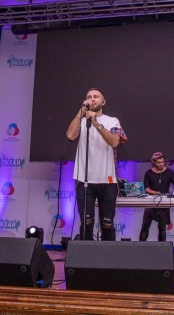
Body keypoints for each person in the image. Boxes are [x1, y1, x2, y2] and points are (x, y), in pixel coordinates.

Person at [66, 88, 127, 241]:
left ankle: (108, 255)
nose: (92, 99)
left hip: (107, 181)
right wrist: (80, 113)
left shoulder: (112, 121)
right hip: (84, 180)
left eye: (95, 97)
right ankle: (86, 256)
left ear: (103, 102)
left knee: (107, 224)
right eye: (89, 97)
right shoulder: (81, 121)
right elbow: (70, 135)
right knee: (86, 223)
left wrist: (95, 122)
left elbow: (114, 142)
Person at [139, 152, 174, 242]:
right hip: (151, 203)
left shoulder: (169, 172)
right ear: (154, 162)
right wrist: (154, 192)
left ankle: (162, 247)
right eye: (158, 162)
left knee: (162, 228)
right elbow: (144, 188)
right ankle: (140, 246)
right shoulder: (148, 173)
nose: (161, 164)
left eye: (162, 162)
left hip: (163, 203)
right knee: (145, 226)